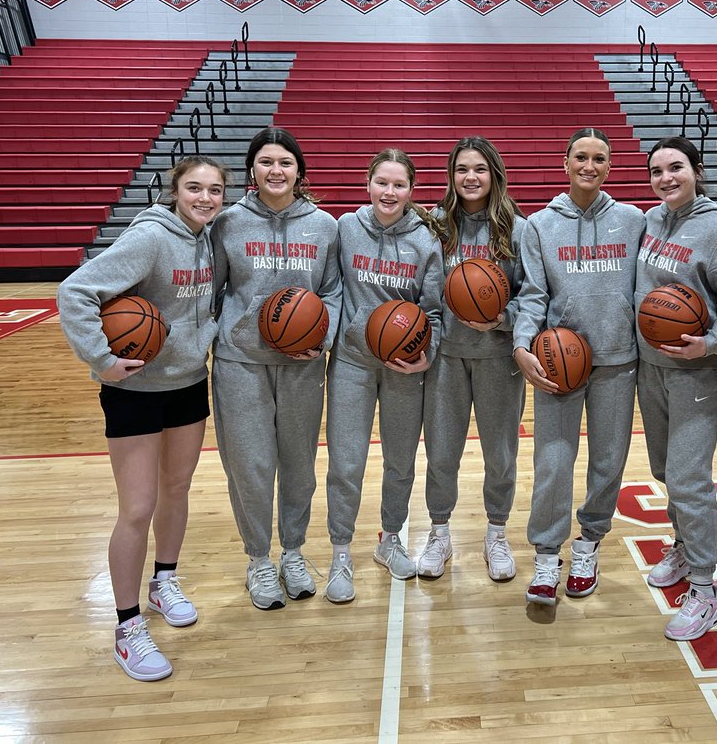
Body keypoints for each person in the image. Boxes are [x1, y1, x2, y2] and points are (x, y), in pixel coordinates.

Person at [57, 156, 226, 682]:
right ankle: (126, 627)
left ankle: (164, 582)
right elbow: (75, 291)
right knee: (137, 507)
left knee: (176, 489)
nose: (205, 197)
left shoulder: (208, 239)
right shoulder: (151, 238)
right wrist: (101, 359)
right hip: (136, 389)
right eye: (194, 188)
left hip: (189, 381)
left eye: (215, 190)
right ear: (174, 191)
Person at [513, 127, 646, 606]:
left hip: (617, 360)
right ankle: (547, 556)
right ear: (565, 163)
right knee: (553, 462)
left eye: (600, 159)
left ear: (610, 167)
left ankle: (588, 544)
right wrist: (521, 345)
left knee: (608, 462)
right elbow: (532, 295)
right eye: (581, 157)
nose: (590, 166)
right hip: (556, 363)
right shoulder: (538, 225)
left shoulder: (633, 221)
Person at [210, 128, 342, 610]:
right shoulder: (227, 223)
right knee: (250, 466)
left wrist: (321, 338)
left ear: (299, 172)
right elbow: (212, 293)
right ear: (252, 170)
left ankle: (293, 551)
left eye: (285, 162)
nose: (275, 171)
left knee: (298, 466)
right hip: (241, 363)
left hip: (303, 365)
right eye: (266, 162)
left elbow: (332, 292)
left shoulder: (324, 225)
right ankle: (258, 559)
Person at [635, 135, 717, 640]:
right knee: (663, 469)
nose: (666, 179)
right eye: (657, 171)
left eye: (676, 168)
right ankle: (683, 546)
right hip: (651, 367)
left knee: (688, 476)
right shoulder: (652, 219)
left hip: (697, 371)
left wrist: (713, 343)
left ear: (698, 170)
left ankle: (706, 589)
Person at [323, 149, 444, 603]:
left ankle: (389, 538)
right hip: (353, 363)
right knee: (347, 463)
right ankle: (340, 552)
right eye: (382, 182)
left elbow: (434, 310)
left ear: (412, 191)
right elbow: (330, 292)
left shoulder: (426, 240)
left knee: (400, 462)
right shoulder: (345, 229)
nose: (389, 192)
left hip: (403, 366)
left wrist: (426, 353)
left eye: (398, 185)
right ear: (367, 184)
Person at [418, 136, 526, 581]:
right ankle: (439, 531)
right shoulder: (436, 227)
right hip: (447, 357)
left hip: (499, 358)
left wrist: (503, 318)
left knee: (500, 453)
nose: (471, 177)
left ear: (494, 174)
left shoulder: (519, 228)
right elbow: (423, 292)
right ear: (451, 175)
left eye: (479, 169)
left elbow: (533, 295)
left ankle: (496, 532)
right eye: (462, 169)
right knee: (442, 451)